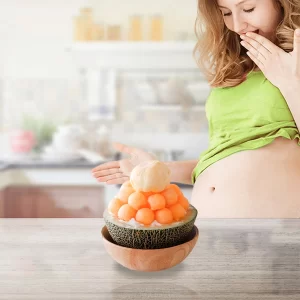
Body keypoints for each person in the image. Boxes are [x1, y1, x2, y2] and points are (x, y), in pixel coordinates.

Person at [92, 0, 300, 218]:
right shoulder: (236, 70)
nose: (237, 26)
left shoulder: (295, 62)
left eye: (248, 9)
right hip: (210, 232)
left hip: (275, 231)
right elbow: (221, 157)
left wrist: (289, 82)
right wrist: (157, 169)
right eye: (226, 13)